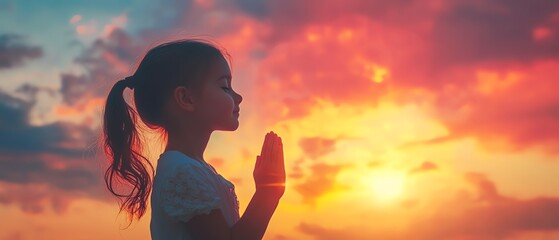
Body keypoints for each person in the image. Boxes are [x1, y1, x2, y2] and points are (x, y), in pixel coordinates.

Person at [102, 39, 285, 240]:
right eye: (225, 87)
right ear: (186, 99)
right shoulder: (182, 172)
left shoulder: (189, 169)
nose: (238, 97)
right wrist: (268, 193)